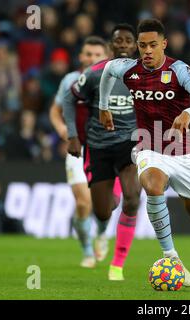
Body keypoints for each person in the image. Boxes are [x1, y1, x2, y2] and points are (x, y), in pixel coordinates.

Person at [99, 19, 190, 290]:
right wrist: (103, 106)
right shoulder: (129, 69)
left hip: (183, 153)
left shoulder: (179, 70)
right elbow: (108, 70)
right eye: (142, 46)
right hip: (149, 147)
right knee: (153, 186)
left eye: (153, 45)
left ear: (164, 44)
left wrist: (189, 112)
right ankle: (172, 258)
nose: (147, 51)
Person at [63, 24, 142, 281]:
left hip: (129, 145)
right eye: (118, 41)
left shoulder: (145, 74)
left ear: (136, 46)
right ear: (111, 46)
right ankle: (103, 220)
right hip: (98, 148)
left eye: (128, 41)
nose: (123, 45)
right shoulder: (95, 73)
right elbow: (68, 98)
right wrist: (73, 136)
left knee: (133, 199)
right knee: (103, 211)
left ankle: (117, 264)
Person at [49, 36, 110, 269]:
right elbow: (55, 111)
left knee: (104, 204)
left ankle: (103, 234)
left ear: (106, 58)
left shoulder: (114, 81)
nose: (92, 58)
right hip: (79, 149)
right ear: (81, 57)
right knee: (84, 203)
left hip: (106, 149)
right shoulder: (71, 80)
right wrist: (61, 128)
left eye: (97, 55)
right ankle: (87, 250)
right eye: (88, 54)